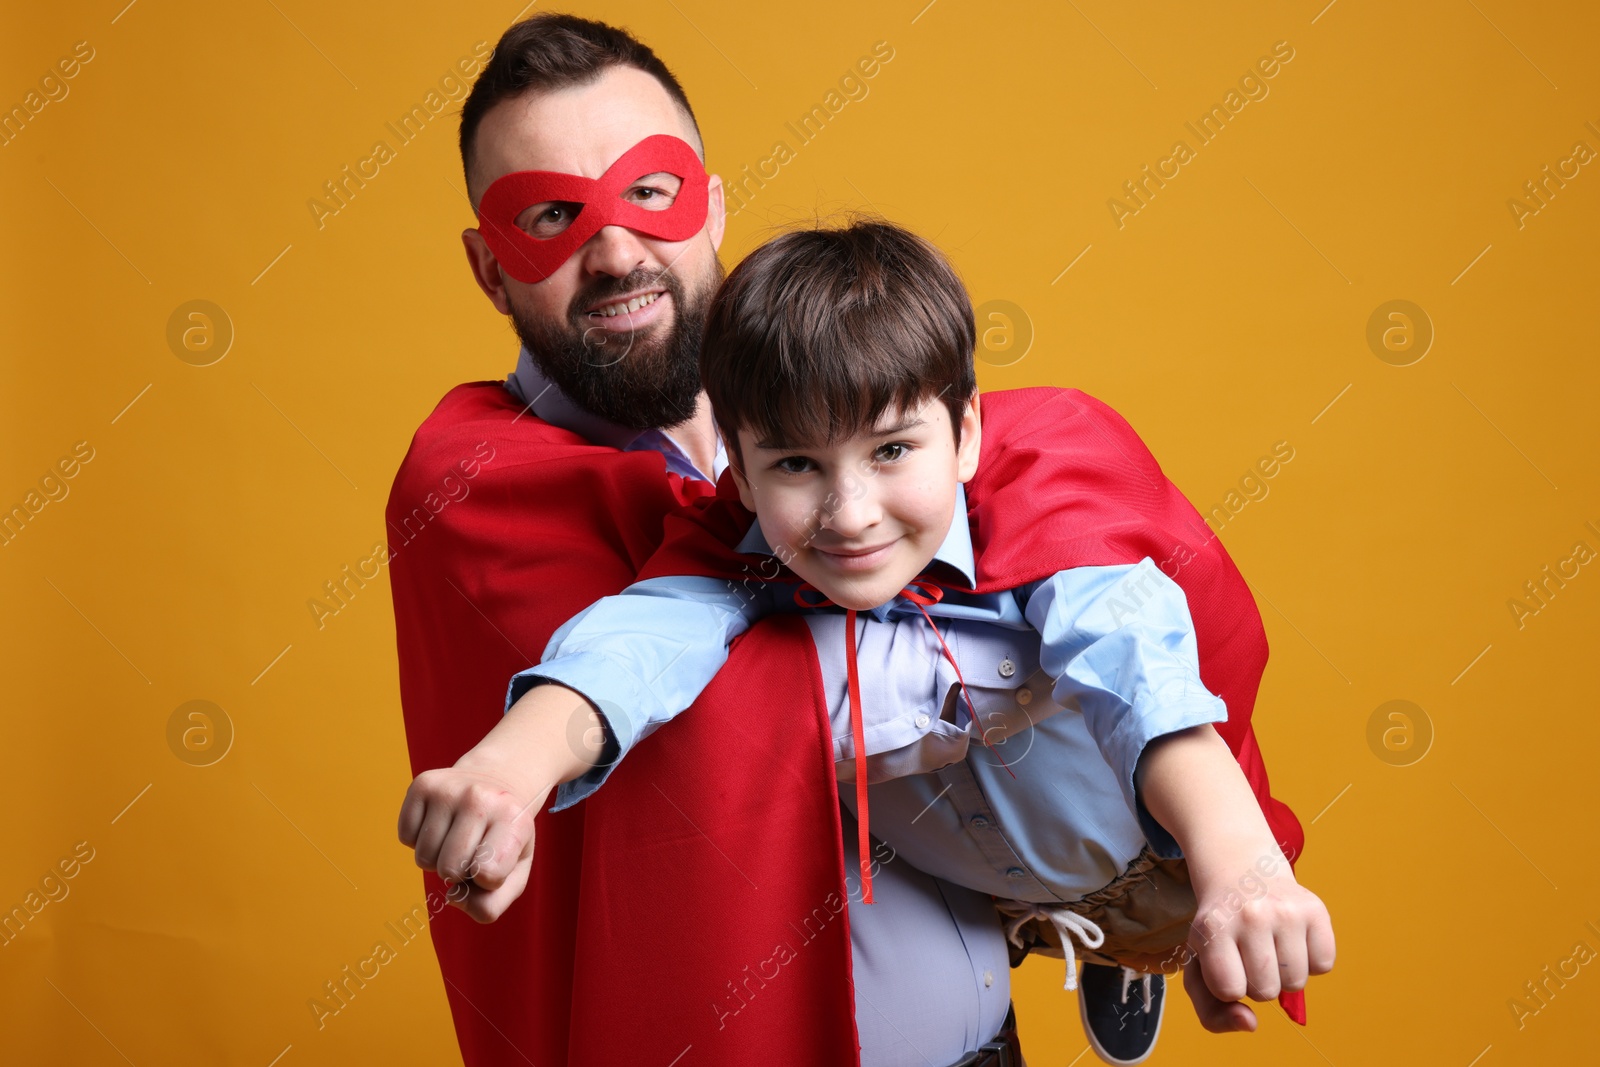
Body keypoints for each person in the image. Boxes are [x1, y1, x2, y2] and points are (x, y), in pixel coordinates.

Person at [403, 220, 1336, 1065]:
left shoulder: (1057, 524)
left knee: (1165, 902)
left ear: (967, 433)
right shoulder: (733, 548)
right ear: (737, 461)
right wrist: (510, 769)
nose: (850, 516)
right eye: (797, 465)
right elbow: (626, 647)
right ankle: (1082, 935)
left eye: (892, 451)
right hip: (999, 888)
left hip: (1154, 850)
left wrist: (1236, 871)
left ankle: (1135, 951)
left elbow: (1149, 688)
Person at [391, 13, 1030, 1066]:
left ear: (713, 203)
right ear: (488, 267)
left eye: (649, 191)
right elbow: (745, 703)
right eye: (550, 214)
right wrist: (1020, 660)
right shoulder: (478, 486)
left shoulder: (833, 395)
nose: (615, 251)